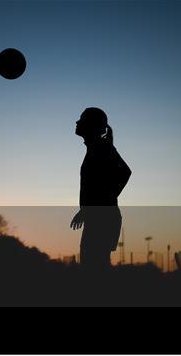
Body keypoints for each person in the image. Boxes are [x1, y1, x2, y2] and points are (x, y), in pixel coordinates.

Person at [70, 107, 131, 273]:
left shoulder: (101, 148)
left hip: (102, 220)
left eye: (81, 119)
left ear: (91, 125)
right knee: (95, 270)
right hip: (99, 218)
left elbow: (125, 173)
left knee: (94, 272)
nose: (77, 122)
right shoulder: (96, 148)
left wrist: (99, 204)